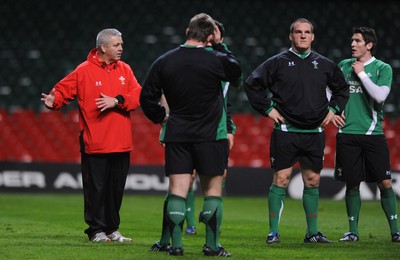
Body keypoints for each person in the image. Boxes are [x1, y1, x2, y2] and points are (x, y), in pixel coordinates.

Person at [140, 13, 242, 256]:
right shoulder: (216, 59)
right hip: (211, 136)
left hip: (178, 135)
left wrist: (161, 117)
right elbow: (237, 77)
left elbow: (145, 97)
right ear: (209, 36)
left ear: (187, 31)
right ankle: (212, 246)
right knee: (212, 192)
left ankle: (175, 245)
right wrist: (219, 45)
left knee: (177, 190)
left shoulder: (164, 61)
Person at [244, 18, 349, 244]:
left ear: (313, 36)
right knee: (281, 179)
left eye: (307, 32)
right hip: (285, 130)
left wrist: (333, 110)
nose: (303, 35)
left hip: (314, 132)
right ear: (290, 36)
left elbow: (342, 89)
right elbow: (252, 84)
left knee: (312, 180)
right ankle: (273, 233)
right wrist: (268, 109)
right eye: (298, 32)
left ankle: (312, 233)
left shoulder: (325, 64)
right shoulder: (277, 63)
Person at [40, 28, 142, 242]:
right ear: (103, 47)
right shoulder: (83, 70)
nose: (121, 48)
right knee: (96, 190)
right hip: (95, 142)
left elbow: (137, 96)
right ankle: (96, 230)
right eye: (117, 45)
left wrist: (117, 100)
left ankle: (112, 230)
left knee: (115, 190)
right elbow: (61, 91)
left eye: (121, 44)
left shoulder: (125, 69)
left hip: (122, 143)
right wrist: (54, 101)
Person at [332, 27, 400, 243]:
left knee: (385, 183)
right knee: (352, 183)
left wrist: (361, 73)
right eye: (352, 40)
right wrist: (332, 112)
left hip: (373, 134)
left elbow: (380, 96)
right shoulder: (342, 66)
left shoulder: (382, 68)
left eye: (357, 41)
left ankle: (395, 231)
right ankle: (353, 231)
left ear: (369, 45)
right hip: (347, 133)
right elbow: (329, 91)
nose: (352, 44)